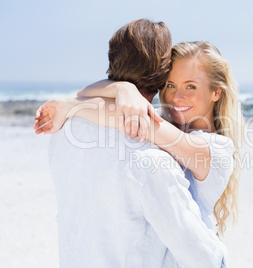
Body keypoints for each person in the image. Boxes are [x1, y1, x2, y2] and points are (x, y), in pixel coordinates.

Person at [34, 19, 228, 267]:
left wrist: (79, 104)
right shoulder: (152, 159)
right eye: (171, 83)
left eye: (190, 86)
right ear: (162, 75)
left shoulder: (63, 130)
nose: (177, 95)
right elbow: (199, 256)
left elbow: (94, 97)